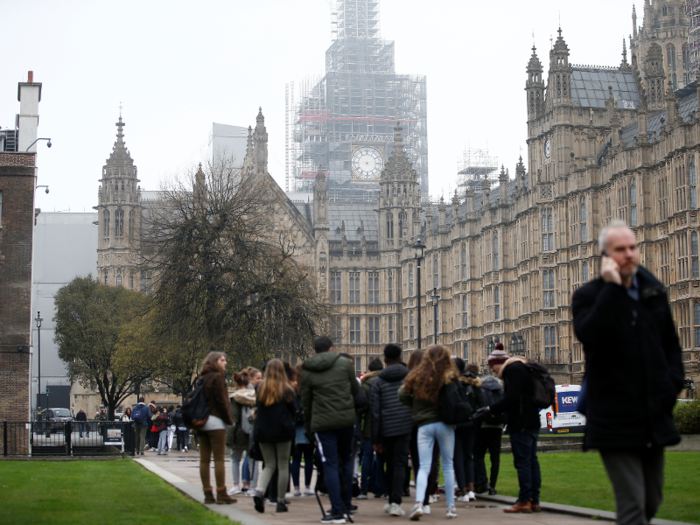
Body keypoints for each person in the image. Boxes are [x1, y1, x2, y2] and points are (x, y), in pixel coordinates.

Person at [572, 221, 684, 525]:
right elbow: (589, 333)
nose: (629, 254)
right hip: (613, 418)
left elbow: (671, 347)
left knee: (651, 501)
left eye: (632, 247)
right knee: (633, 506)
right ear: (604, 255)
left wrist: (670, 388)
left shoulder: (653, 291)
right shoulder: (589, 296)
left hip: (652, 414)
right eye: (620, 250)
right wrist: (611, 289)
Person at [473, 343, 541, 513]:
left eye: (492, 366)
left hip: (522, 423)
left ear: (500, 362)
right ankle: (534, 500)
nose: (492, 370)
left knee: (523, 462)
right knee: (531, 461)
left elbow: (511, 397)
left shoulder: (512, 370)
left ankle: (525, 500)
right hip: (531, 422)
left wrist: (489, 409)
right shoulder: (522, 368)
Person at [301, 336, 359, 525]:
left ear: (315, 351)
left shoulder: (307, 370)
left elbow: (306, 404)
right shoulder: (345, 364)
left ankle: (336, 511)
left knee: (330, 465)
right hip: (346, 421)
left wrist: (310, 430)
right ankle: (346, 505)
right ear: (332, 348)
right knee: (346, 462)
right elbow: (355, 392)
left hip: (323, 424)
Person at [399, 345, 459, 520]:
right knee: (448, 466)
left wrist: (416, 406)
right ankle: (451, 507)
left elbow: (402, 395)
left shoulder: (417, 376)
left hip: (424, 425)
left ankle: (419, 504)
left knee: (424, 466)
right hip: (445, 425)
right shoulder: (449, 377)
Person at [369, 344, 413, 517]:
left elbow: (375, 411)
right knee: (400, 464)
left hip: (386, 428)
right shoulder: (410, 377)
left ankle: (391, 500)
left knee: (389, 464)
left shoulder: (378, 381)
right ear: (401, 359)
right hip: (405, 426)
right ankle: (396, 501)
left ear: (385, 360)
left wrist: (375, 439)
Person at [252, 359, 297, 514]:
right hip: (283, 431)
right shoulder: (287, 389)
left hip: (264, 431)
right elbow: (294, 410)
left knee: (269, 464)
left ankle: (260, 491)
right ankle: (280, 500)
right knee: (283, 465)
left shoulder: (260, 388)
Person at [196, 351, 237, 505]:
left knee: (204, 460)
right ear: (215, 362)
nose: (225, 363)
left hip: (201, 422)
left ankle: (207, 493)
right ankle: (221, 493)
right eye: (222, 360)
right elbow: (222, 402)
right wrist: (229, 420)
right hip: (215, 423)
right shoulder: (217, 377)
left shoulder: (203, 378)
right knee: (219, 459)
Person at [474, 369, 505, 495]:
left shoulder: (481, 390)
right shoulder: (501, 392)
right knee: (495, 458)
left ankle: (483, 481)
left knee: (478, 455)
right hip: (498, 427)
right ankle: (492, 486)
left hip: (484, 426)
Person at [453, 360, 481, 503]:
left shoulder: (452, 382)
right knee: (469, 456)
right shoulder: (473, 382)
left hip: (457, 424)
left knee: (457, 458)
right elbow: (481, 403)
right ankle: (471, 491)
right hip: (471, 423)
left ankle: (463, 491)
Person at [226, 369, 256, 495]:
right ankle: (253, 487)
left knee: (235, 459)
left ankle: (236, 485)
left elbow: (233, 419)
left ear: (236, 384)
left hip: (238, 433)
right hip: (252, 432)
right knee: (252, 460)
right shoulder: (256, 395)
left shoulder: (235, 398)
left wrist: (229, 438)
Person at [359, 357, 384, 500]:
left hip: (369, 425)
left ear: (369, 370)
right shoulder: (385, 382)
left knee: (367, 457)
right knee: (382, 458)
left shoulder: (365, 384)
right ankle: (381, 489)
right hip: (385, 424)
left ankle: (364, 488)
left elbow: (363, 406)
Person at [290, 364, 314, 497]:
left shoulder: (292, 391)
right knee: (309, 458)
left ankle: (296, 487)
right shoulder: (309, 390)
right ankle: (308, 486)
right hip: (308, 427)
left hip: (296, 428)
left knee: (296, 459)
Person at [241, 366, 262, 496]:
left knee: (249, 457)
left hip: (249, 426)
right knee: (251, 457)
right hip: (250, 427)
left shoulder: (249, 389)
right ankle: (248, 484)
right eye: (258, 378)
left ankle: (246, 483)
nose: (261, 380)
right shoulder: (249, 391)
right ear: (251, 379)